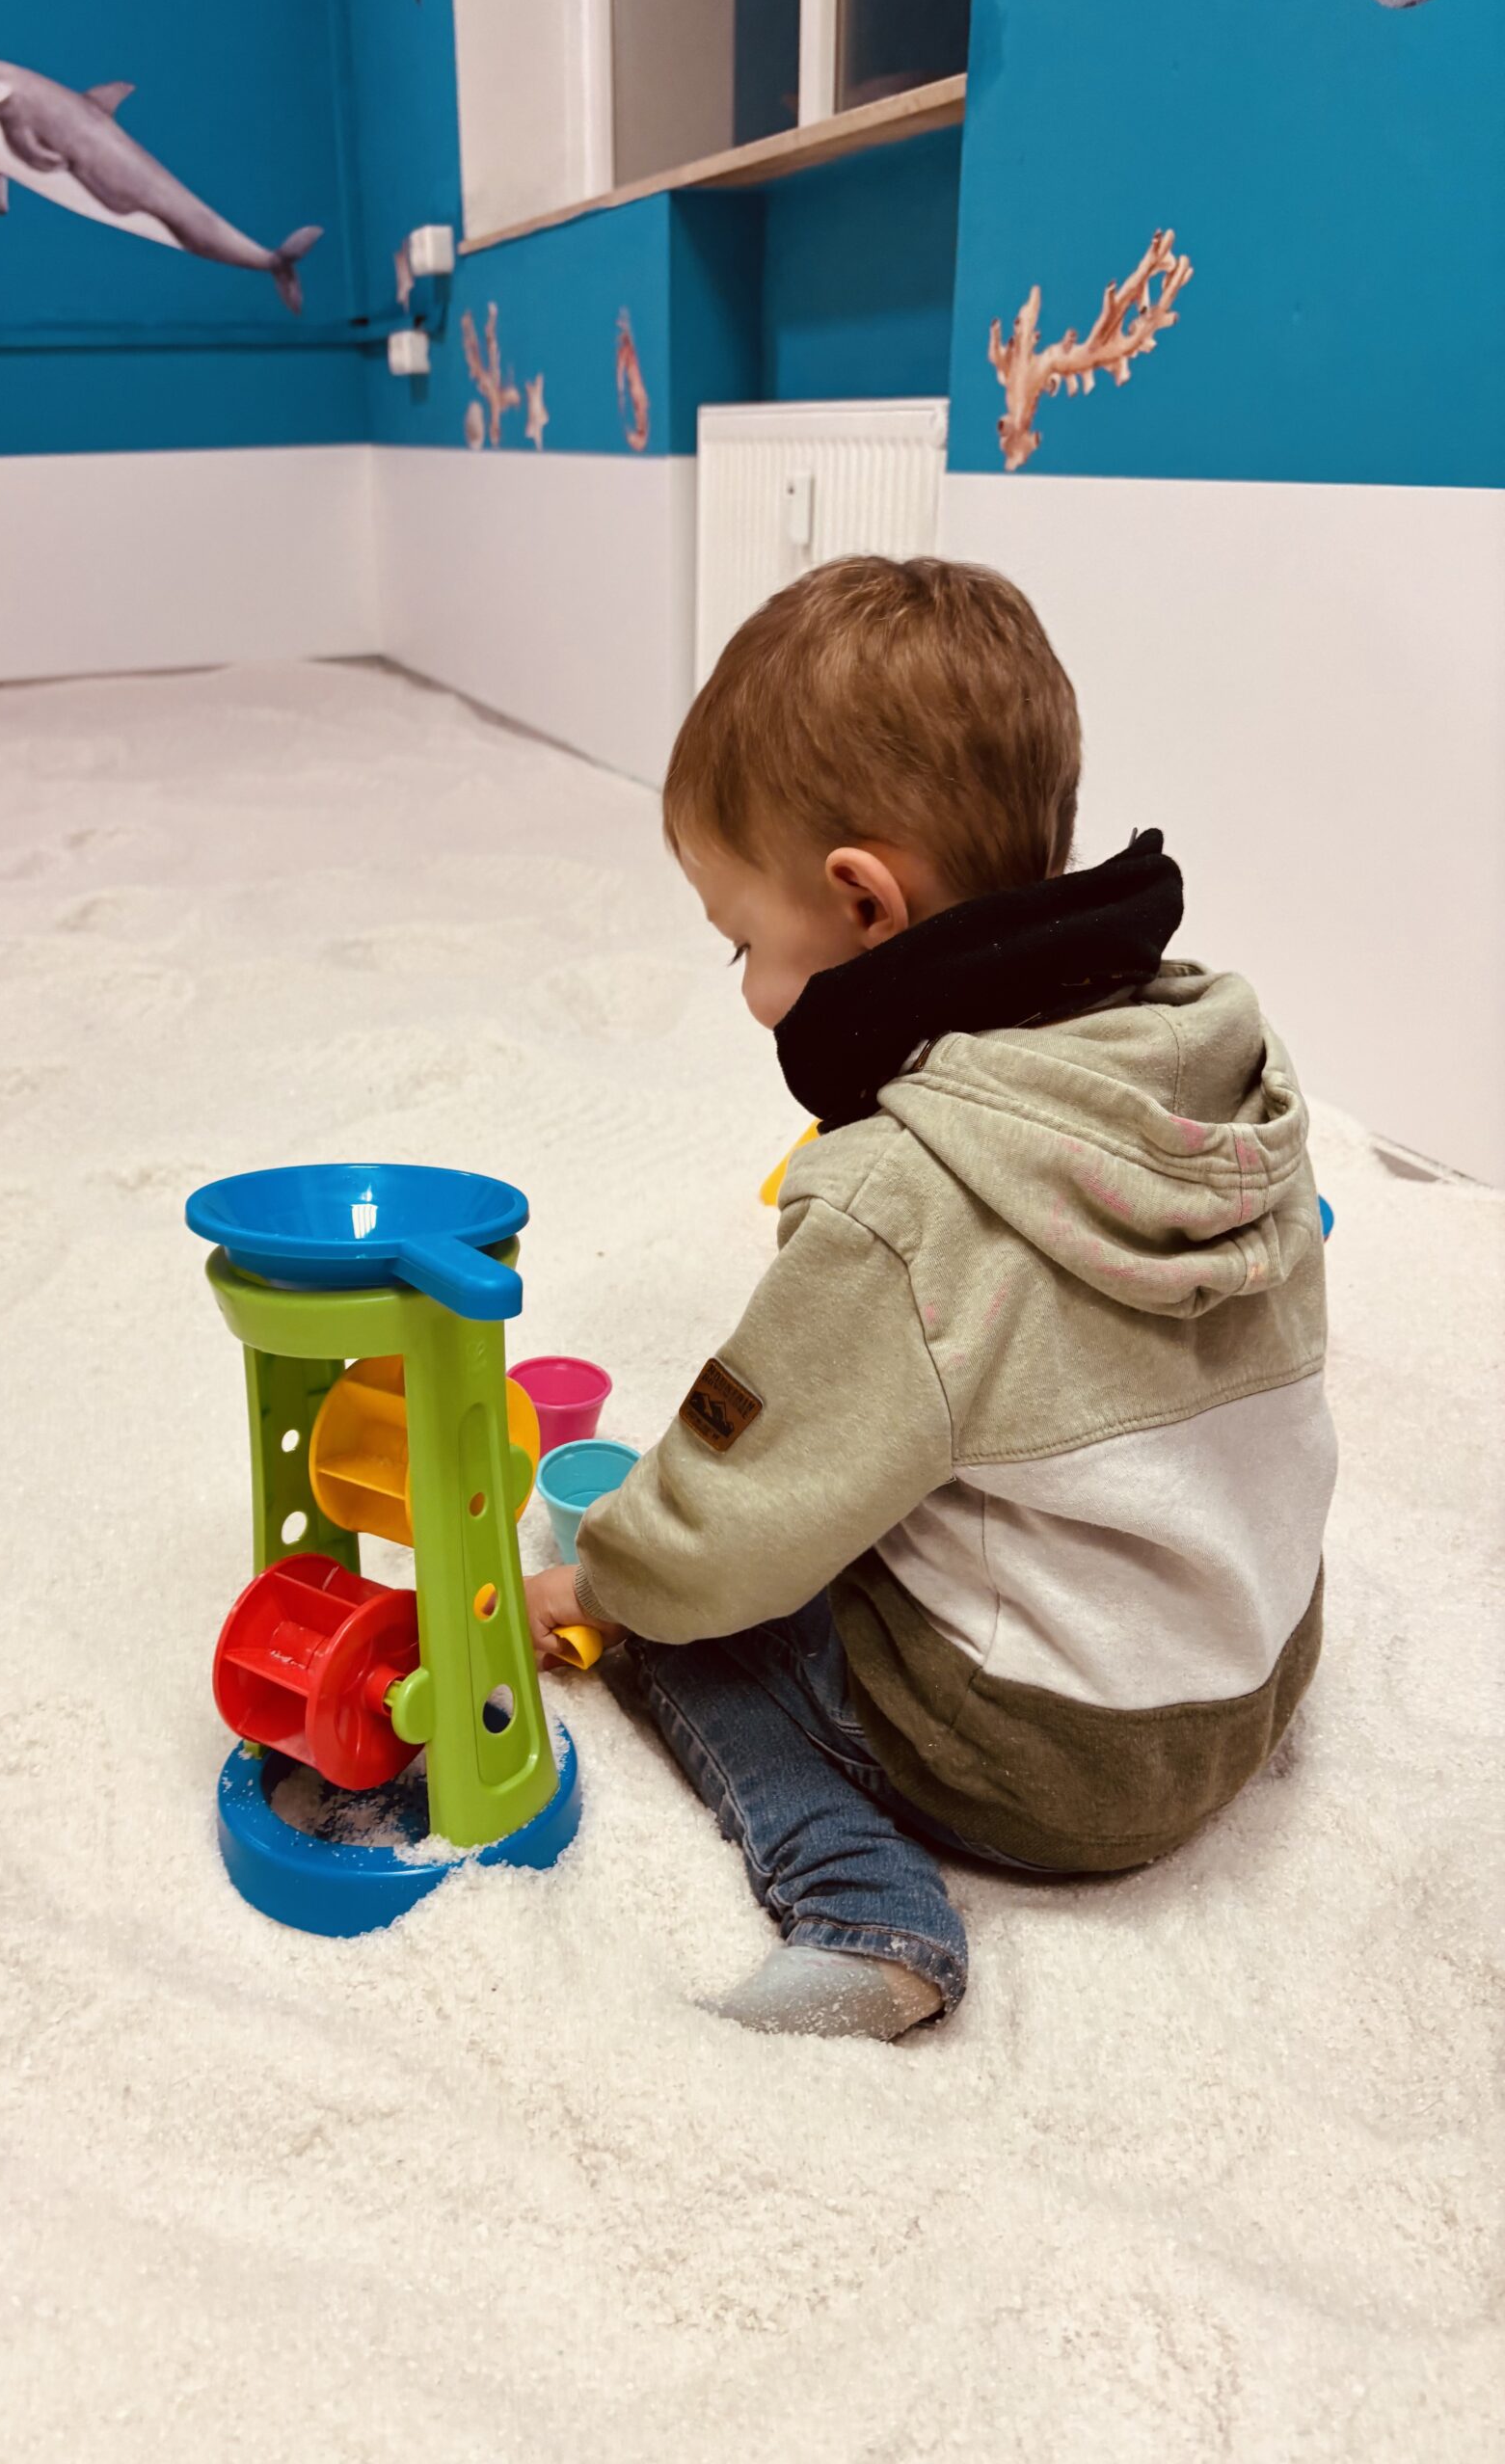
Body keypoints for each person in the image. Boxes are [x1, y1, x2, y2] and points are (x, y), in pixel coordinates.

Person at [523, 556, 1336, 2043]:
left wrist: (611, 1583)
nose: (746, 986)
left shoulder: (900, 1194)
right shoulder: (1217, 1070)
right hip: (1249, 1670)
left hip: (1059, 1756)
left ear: (861, 900)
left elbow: (745, 1510)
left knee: (695, 1629)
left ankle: (864, 1909)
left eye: (744, 942)